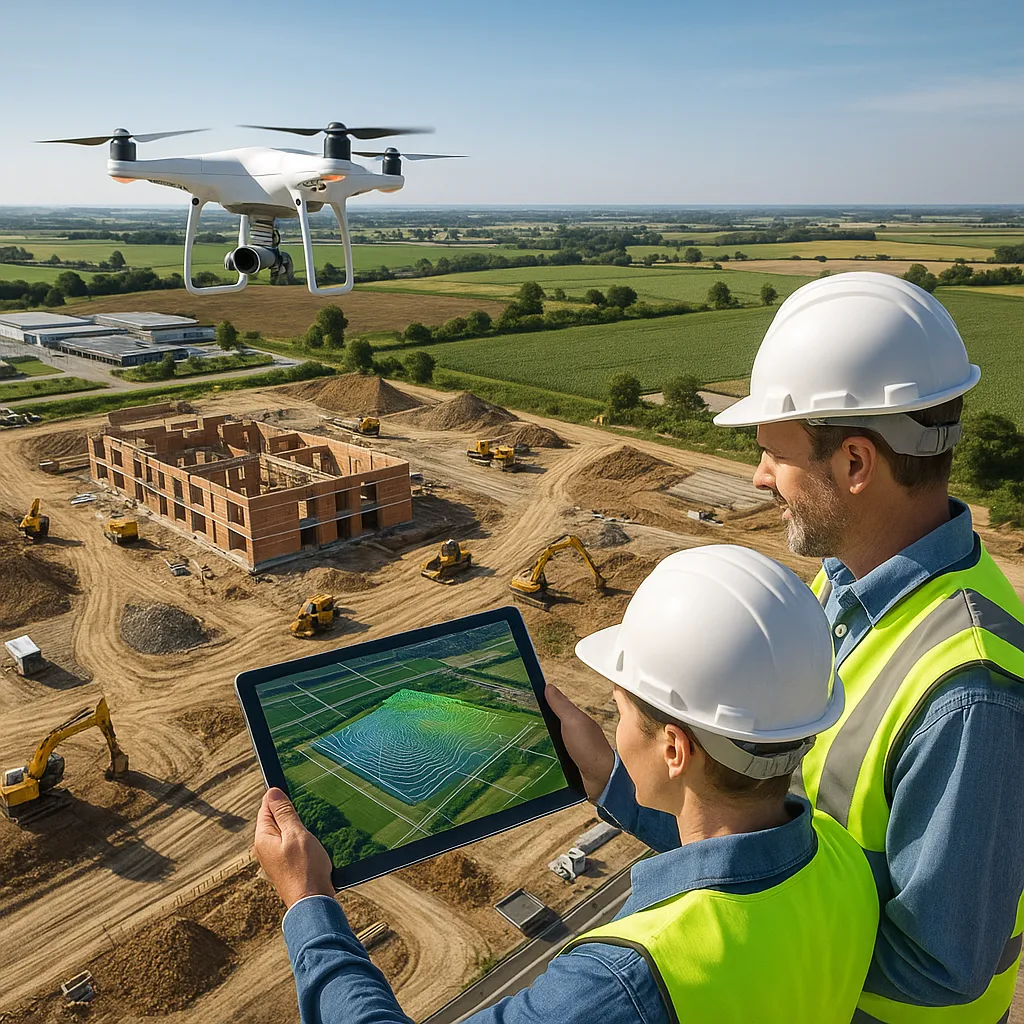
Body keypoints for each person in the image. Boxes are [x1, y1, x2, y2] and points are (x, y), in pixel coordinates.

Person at [569, 272, 1024, 1022]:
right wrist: (616, 782)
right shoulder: (842, 593)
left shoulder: (969, 691)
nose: (758, 477)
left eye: (773, 455)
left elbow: (942, 965)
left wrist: (730, 935)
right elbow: (777, 826)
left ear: (854, 463)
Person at [255, 545, 879, 1024]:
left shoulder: (622, 980)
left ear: (673, 748)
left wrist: (310, 904)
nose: (613, 724)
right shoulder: (839, 857)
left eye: (621, 712)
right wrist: (607, 777)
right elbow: (731, 859)